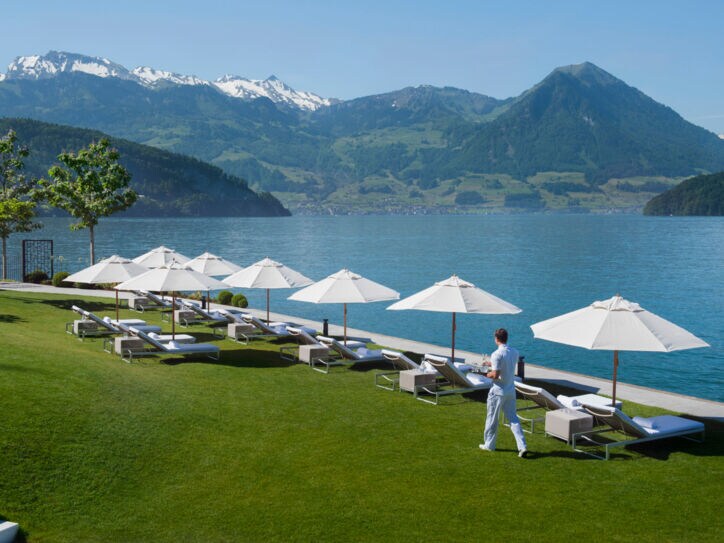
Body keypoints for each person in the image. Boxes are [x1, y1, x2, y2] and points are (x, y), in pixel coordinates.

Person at [480, 328, 528, 458]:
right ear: (506, 338)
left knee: (492, 418)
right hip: (510, 390)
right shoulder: (515, 352)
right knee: (513, 419)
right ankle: (522, 446)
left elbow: (495, 374)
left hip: (498, 391)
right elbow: (506, 364)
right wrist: (490, 363)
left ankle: (489, 445)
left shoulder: (496, 354)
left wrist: (485, 373)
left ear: (496, 339)